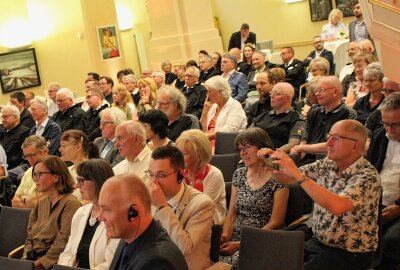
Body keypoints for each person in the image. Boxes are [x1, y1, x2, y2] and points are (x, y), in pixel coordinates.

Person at [269, 119, 380, 269]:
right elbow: (287, 178)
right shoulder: (328, 163)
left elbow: (337, 206)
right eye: (329, 136)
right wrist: (270, 163)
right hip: (318, 242)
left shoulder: (368, 176)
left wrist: (296, 173)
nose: (328, 143)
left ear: (355, 145)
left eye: (336, 138)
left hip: (349, 253)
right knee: (273, 258)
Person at [219, 128, 288, 268]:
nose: (242, 152)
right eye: (240, 149)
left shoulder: (278, 177)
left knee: (229, 264)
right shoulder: (239, 174)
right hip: (235, 238)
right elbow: (231, 214)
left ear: (261, 148)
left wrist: (241, 244)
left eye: (247, 147)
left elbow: (276, 223)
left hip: (261, 239)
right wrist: (225, 237)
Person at [98, 173, 188, 270]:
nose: (100, 217)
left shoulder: (158, 263)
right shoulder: (127, 240)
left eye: (106, 210)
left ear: (133, 212)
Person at [148, 145, 215, 270]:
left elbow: (183, 248)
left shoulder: (202, 204)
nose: (153, 182)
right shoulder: (148, 198)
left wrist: (162, 207)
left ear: (181, 174)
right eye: (150, 174)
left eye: (161, 175)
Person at [57, 159, 119, 269]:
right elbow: (68, 253)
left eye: (81, 180)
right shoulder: (81, 212)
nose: (77, 186)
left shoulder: (117, 216)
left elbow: (111, 263)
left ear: (97, 181)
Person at [23, 155, 81, 270]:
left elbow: (62, 243)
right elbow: (29, 237)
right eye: (34, 174)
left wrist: (38, 263)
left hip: (52, 264)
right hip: (32, 260)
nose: (35, 179)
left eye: (40, 174)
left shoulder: (71, 204)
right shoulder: (40, 203)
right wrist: (25, 259)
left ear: (56, 177)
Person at [290, 76, 357, 166]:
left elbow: (336, 145)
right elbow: (304, 140)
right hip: (307, 161)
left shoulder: (348, 114)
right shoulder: (313, 112)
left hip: (329, 163)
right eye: (316, 91)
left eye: (321, 90)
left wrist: (301, 148)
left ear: (335, 92)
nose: (317, 94)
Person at [366, 92, 400, 270]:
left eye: (396, 124)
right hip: (375, 199)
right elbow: (369, 170)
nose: (390, 130)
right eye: (386, 124)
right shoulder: (380, 136)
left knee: (391, 239)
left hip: (397, 204)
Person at [176, 129, 226, 224]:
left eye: (184, 154)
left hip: (209, 224)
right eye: (179, 153)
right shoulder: (180, 173)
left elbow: (202, 208)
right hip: (185, 221)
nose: (179, 158)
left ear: (199, 154)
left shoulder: (213, 175)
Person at [251, 82, 305, 153]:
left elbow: (293, 144)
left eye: (277, 94)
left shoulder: (296, 119)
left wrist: (272, 154)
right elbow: (247, 135)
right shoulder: (262, 116)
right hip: (253, 155)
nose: (272, 96)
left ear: (287, 98)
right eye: (271, 93)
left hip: (275, 158)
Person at [200, 76, 247, 151]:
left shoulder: (235, 105)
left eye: (210, 91)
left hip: (226, 145)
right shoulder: (213, 106)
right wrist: (205, 111)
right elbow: (202, 129)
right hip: (208, 143)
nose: (207, 95)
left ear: (221, 92)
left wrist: (206, 137)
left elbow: (230, 130)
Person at [11, 136, 48, 208]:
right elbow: (14, 201)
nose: (30, 159)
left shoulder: (54, 171)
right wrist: (29, 202)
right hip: (24, 215)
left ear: (45, 151)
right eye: (26, 156)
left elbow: (40, 204)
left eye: (33, 155)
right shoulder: (28, 172)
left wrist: (23, 199)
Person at [0, 105, 30, 169]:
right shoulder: (2, 132)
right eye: (2, 117)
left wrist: (4, 165)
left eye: (5, 117)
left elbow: (21, 156)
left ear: (16, 117)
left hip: (13, 167)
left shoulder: (24, 132)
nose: (2, 120)